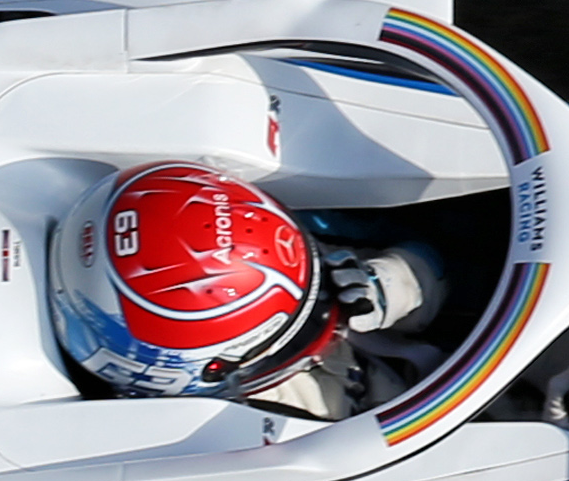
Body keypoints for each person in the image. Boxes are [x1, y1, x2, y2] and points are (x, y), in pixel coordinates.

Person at [47, 163, 455, 411]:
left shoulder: (271, 255)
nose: (326, 310)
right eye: (295, 332)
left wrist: (398, 282)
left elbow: (456, 254)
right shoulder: (233, 448)